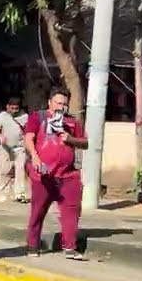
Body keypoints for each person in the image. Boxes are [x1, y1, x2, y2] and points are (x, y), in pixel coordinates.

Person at [23, 88, 87, 260]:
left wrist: (71, 139)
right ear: (49, 102)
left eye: (65, 104)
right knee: (38, 210)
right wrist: (35, 157)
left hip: (68, 174)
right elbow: (28, 138)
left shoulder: (72, 122)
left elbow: (85, 143)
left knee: (71, 210)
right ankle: (32, 245)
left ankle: (70, 246)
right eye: (58, 103)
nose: (61, 107)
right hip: (44, 174)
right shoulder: (38, 117)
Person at [0, 97, 29, 203]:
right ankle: (4, 193)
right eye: (12, 108)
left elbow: (28, 130)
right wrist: (0, 136)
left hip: (19, 147)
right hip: (4, 148)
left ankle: (20, 194)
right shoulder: (2, 116)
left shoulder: (24, 116)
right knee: (4, 170)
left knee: (20, 170)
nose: (14, 111)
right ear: (7, 107)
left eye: (16, 109)